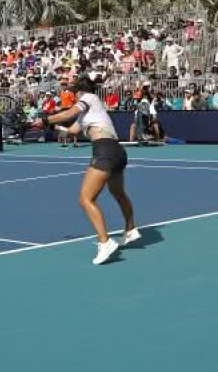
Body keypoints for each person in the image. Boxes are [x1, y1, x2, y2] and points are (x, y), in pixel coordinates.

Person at [30, 75, 139, 266]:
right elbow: (71, 130)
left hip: (105, 151)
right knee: (118, 193)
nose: (73, 96)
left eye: (74, 93)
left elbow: (68, 113)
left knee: (86, 199)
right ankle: (131, 230)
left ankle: (105, 243)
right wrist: (49, 126)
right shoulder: (89, 113)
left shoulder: (88, 98)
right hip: (117, 152)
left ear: (80, 91)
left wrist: (45, 120)